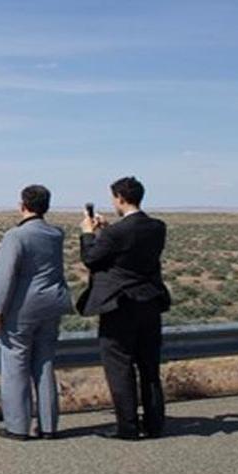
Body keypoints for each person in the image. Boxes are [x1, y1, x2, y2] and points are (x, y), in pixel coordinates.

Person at [77, 176, 171, 439]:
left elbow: (92, 259)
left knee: (119, 366)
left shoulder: (116, 233)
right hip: (150, 303)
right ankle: (154, 423)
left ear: (119, 197)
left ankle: (127, 426)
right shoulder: (157, 227)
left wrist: (88, 234)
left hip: (120, 305)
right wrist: (106, 231)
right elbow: (130, 247)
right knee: (149, 367)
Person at [0, 185, 74, 441]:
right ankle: (49, 426)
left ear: (22, 205)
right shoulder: (56, 234)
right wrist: (0, 246)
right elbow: (36, 247)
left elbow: (7, 276)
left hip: (23, 310)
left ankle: (17, 427)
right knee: (44, 363)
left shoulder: (15, 235)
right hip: (51, 306)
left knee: (15, 365)